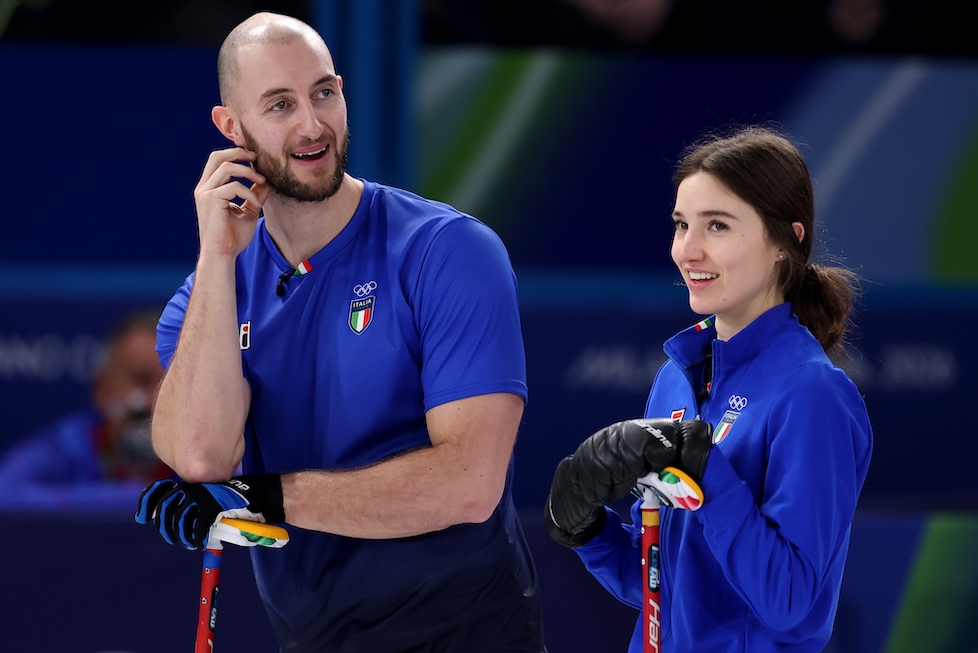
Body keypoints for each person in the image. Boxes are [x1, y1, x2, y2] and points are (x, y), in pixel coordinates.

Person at [133, 11, 545, 652]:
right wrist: (216, 257)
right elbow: (200, 457)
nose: (312, 125)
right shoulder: (209, 296)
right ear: (230, 128)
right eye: (280, 105)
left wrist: (264, 498)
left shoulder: (449, 251)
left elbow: (469, 484)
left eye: (324, 93)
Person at [543, 125, 873, 652]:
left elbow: (787, 601)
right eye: (681, 225)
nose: (687, 250)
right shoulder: (676, 377)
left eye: (717, 225)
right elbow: (664, 586)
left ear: (786, 242)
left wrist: (707, 473)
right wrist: (588, 532)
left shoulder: (812, 394)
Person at [0, 308, 169, 511]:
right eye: (142, 380)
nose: (155, 400)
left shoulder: (200, 456)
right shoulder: (68, 447)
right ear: (103, 389)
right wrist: (137, 497)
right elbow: (5, 492)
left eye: (170, 384)